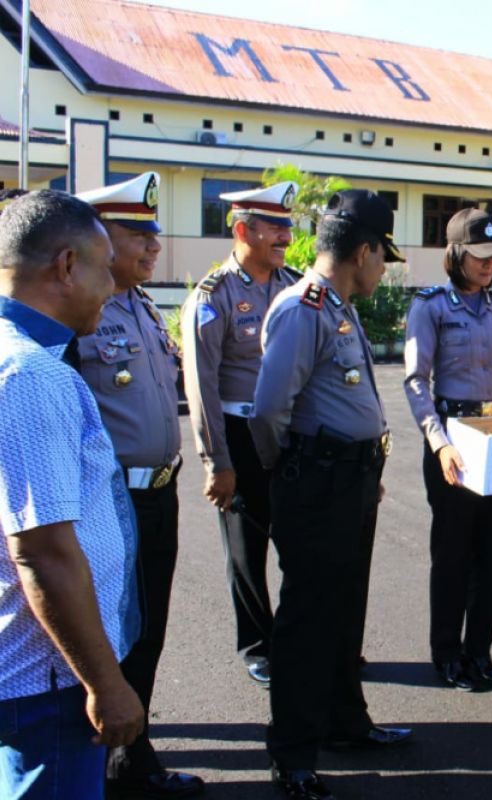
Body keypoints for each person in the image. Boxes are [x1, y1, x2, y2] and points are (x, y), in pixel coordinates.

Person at [249, 189, 411, 800]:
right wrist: (293, 470)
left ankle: (346, 723)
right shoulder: (304, 308)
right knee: (308, 623)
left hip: (350, 482)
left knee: (343, 614)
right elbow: (268, 412)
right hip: (317, 485)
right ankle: (291, 754)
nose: (383, 269)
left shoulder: (337, 307)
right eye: (382, 258)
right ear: (363, 251)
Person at [0, 190, 144, 799]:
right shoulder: (32, 375)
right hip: (50, 681)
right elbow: (44, 553)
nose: (112, 286)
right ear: (65, 266)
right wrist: (106, 685)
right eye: (104, 268)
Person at [75, 173, 204, 798]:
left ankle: (130, 758)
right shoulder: (79, 316)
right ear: (99, 238)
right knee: (109, 632)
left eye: (155, 234)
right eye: (138, 234)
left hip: (159, 494)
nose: (153, 246)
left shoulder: (141, 307)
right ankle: (102, 762)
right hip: (110, 499)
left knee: (148, 629)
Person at [403, 208, 492, 691]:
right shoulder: (431, 307)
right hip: (454, 437)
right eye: (479, 256)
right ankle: (446, 653)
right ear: (456, 255)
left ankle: (479, 650)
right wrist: (438, 443)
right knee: (453, 552)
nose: (489, 265)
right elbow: (416, 381)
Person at [181, 181, 299, 686]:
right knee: (247, 551)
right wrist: (217, 462)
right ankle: (258, 644)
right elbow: (202, 388)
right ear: (241, 229)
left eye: (288, 226)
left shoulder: (296, 286)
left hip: (292, 433)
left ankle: (300, 638)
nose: (285, 237)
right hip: (240, 431)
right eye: (274, 226)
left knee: (301, 541)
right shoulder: (214, 296)